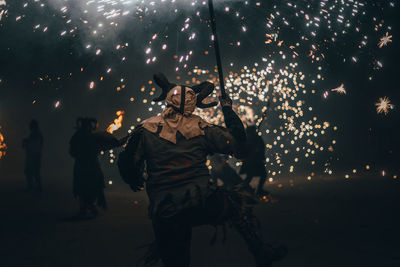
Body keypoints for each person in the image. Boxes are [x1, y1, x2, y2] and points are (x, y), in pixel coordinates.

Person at [118, 73, 287, 267]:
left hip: (165, 208)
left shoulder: (145, 128)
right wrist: (227, 110)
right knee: (235, 204)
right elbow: (239, 145)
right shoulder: (201, 127)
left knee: (175, 259)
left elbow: (127, 163)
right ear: (192, 104)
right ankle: (260, 251)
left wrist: (134, 178)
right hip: (201, 202)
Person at [69, 117, 127, 218]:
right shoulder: (88, 137)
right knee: (86, 186)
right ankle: (88, 207)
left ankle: (88, 207)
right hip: (88, 165)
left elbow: (72, 152)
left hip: (86, 165)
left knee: (88, 186)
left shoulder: (83, 137)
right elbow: (72, 151)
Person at [240, 125, 269, 197]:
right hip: (252, 162)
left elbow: (261, 147)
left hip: (255, 161)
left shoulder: (254, 138)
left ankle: (258, 190)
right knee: (250, 176)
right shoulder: (248, 139)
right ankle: (241, 190)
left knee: (259, 175)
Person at [22, 119, 44, 192]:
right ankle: (33, 186)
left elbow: (36, 145)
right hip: (33, 156)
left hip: (34, 156)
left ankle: (36, 187)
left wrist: (26, 142)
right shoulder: (35, 134)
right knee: (30, 172)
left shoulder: (36, 134)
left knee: (34, 172)